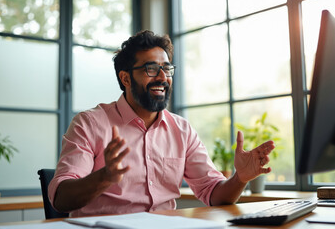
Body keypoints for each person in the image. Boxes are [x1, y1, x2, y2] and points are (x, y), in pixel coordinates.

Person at [48, 30, 275, 217]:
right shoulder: (89, 124)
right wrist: (104, 177)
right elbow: (60, 198)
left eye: (166, 68)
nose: (162, 77)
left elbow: (213, 193)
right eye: (151, 69)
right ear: (125, 78)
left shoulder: (182, 130)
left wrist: (239, 179)